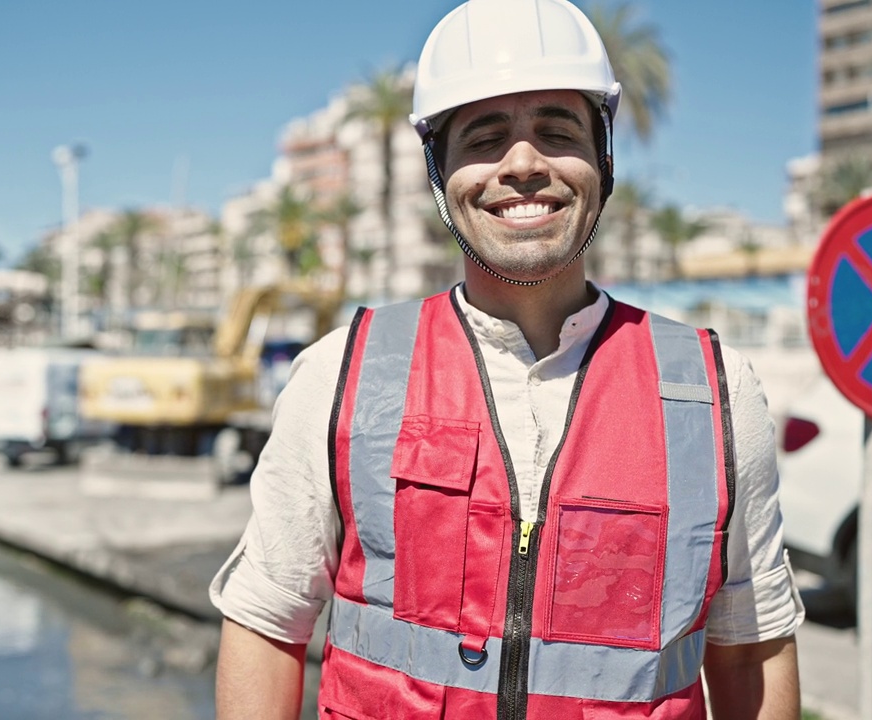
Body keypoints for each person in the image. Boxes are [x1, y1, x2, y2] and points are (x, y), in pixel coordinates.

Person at [212, 0, 804, 717]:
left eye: (556, 130)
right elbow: (267, 624)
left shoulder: (714, 390)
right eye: (486, 137)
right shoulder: (340, 375)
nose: (522, 164)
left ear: (602, 158)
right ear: (441, 171)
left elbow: (751, 646)